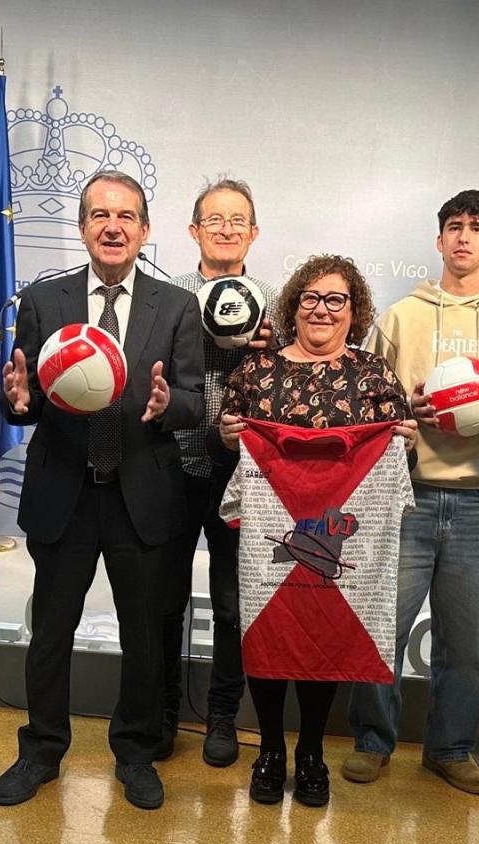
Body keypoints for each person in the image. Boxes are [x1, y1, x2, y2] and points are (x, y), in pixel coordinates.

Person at [0, 170, 204, 810]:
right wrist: (19, 404)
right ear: (83, 228)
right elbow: (25, 398)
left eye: (126, 216)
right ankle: (40, 751)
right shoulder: (45, 302)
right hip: (66, 494)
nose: (113, 226)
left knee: (144, 636)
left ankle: (136, 754)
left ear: (144, 229)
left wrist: (170, 405)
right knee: (51, 631)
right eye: (99, 215)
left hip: (143, 496)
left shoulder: (176, 307)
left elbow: (195, 402)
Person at [344, 189, 479, 793]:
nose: (464, 237)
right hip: (408, 493)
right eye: (454, 226)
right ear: (439, 239)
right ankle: (374, 741)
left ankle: (450, 748)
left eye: (477, 228)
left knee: (466, 639)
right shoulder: (402, 316)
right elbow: (368, 408)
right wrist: (408, 408)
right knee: (384, 627)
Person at [219, 254, 416, 807]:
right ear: (292, 306)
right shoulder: (256, 371)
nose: (322, 309)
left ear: (355, 311)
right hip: (267, 537)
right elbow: (227, 439)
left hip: (335, 540)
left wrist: (404, 439)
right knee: (266, 634)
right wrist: (232, 434)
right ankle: (270, 751)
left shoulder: (373, 375)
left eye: (336, 300)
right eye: (310, 298)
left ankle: (310, 752)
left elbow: (401, 454)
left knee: (322, 636)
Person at [159, 178, 279, 767]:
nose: (227, 229)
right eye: (214, 219)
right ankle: (159, 713)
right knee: (163, 597)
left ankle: (223, 717)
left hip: (248, 478)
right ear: (194, 231)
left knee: (233, 604)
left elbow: (304, 377)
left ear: (254, 233)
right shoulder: (168, 296)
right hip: (173, 465)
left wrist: (272, 348)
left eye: (238, 221)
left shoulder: (280, 304)